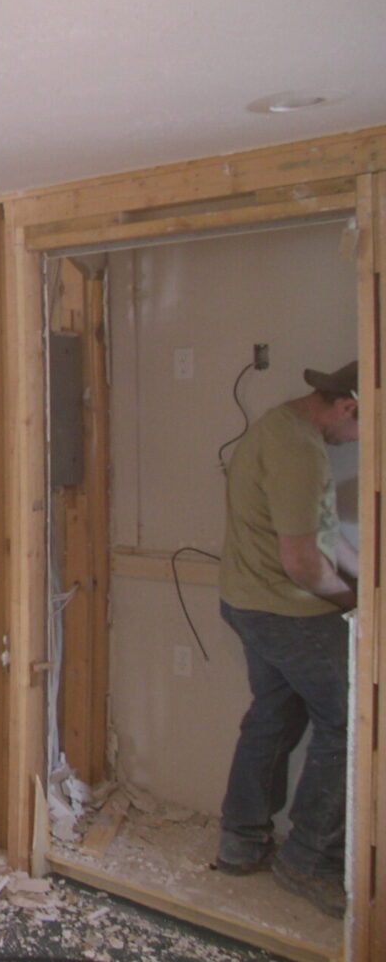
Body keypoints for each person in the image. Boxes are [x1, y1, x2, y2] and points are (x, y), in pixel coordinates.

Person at [216, 360, 359, 918]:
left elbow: (319, 535)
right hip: (287, 610)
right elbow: (303, 563)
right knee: (351, 722)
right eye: (363, 425)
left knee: (274, 714)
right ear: (346, 406)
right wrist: (352, 604)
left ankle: (242, 840)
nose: (358, 440)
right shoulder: (300, 452)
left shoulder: (280, 425)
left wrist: (364, 580)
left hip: (248, 601)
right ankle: (309, 860)